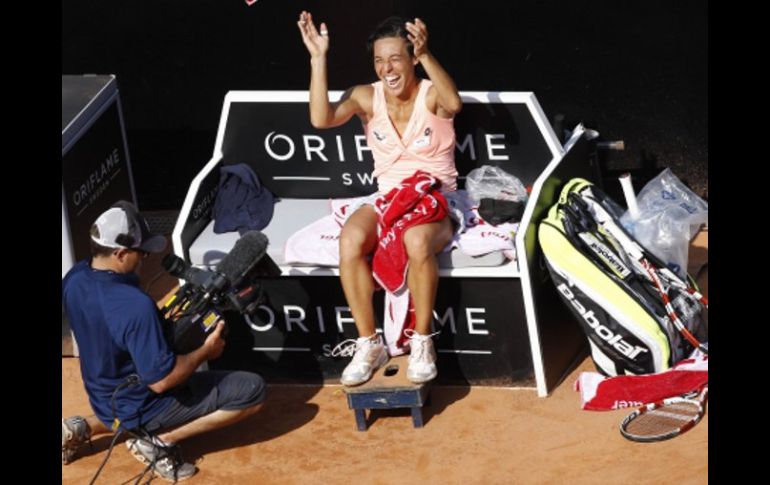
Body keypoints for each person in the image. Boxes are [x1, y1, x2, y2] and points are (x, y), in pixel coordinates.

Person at [297, 12, 462, 386]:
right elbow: (321, 119)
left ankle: (422, 341)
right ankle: (369, 343)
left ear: (412, 59)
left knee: (416, 239)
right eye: (378, 60)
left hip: (435, 198)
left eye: (395, 58)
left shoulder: (431, 93)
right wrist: (318, 58)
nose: (386, 68)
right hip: (388, 198)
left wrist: (427, 56)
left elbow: (453, 103)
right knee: (351, 239)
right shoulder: (365, 96)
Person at [61, 201, 266, 482]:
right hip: (140, 404)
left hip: (102, 395)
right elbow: (162, 381)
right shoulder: (135, 305)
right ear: (120, 253)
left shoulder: (76, 277)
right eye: (141, 252)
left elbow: (112, 329)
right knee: (251, 391)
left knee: (129, 400)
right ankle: (159, 442)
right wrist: (206, 351)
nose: (146, 258)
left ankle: (82, 427)